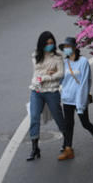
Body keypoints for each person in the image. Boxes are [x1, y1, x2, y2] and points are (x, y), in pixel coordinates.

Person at [58, 37, 93, 160]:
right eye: (64, 48)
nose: (66, 49)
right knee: (68, 124)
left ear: (74, 47)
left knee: (85, 123)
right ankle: (68, 150)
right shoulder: (64, 63)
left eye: (68, 47)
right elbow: (61, 80)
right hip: (67, 98)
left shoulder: (83, 62)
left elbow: (85, 83)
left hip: (80, 98)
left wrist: (80, 104)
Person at [27, 31, 66, 161]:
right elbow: (36, 71)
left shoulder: (58, 56)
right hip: (36, 91)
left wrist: (47, 76)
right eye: (47, 43)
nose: (50, 45)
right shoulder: (36, 55)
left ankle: (67, 141)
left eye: (52, 43)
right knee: (34, 117)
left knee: (58, 116)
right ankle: (35, 148)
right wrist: (48, 72)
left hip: (51, 91)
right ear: (42, 44)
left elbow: (61, 73)